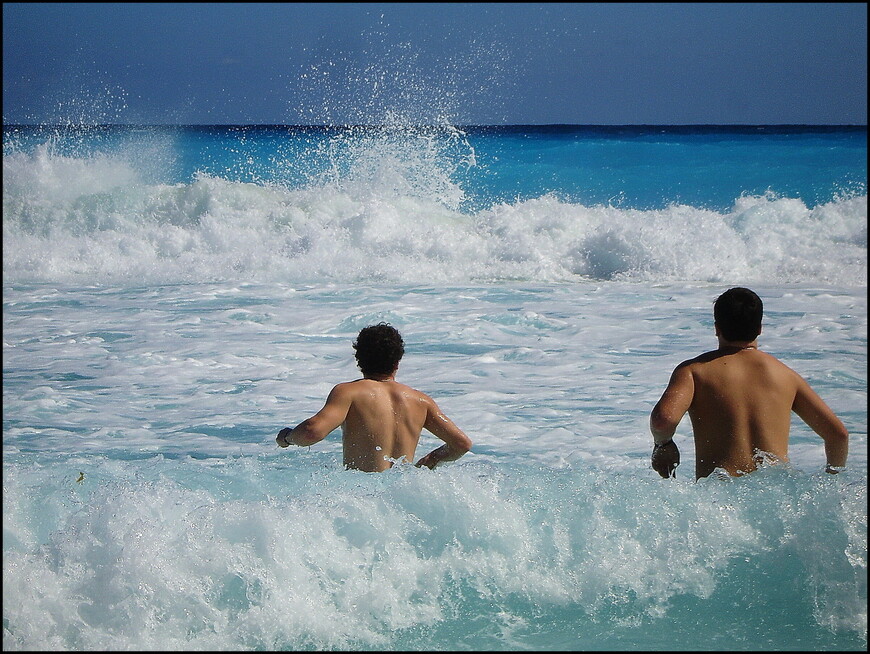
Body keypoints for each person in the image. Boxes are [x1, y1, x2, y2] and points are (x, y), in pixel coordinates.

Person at [649, 287, 849, 480]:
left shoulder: (694, 371)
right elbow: (838, 435)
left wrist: (663, 444)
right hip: (778, 496)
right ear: (760, 329)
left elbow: (663, 420)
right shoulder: (786, 376)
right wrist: (831, 481)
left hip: (721, 498)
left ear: (717, 328)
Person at [276, 323, 473, 472]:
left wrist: (287, 438)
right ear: (397, 362)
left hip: (363, 499)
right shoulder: (421, 401)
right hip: (402, 496)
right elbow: (461, 444)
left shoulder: (349, 392)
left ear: (359, 360)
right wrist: (431, 459)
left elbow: (312, 432)